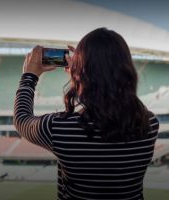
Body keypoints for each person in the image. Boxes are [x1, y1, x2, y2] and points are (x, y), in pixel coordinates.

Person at [14, 27, 159, 200]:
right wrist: (83, 73)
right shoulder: (149, 124)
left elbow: (22, 120)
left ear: (82, 74)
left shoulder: (61, 129)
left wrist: (29, 76)